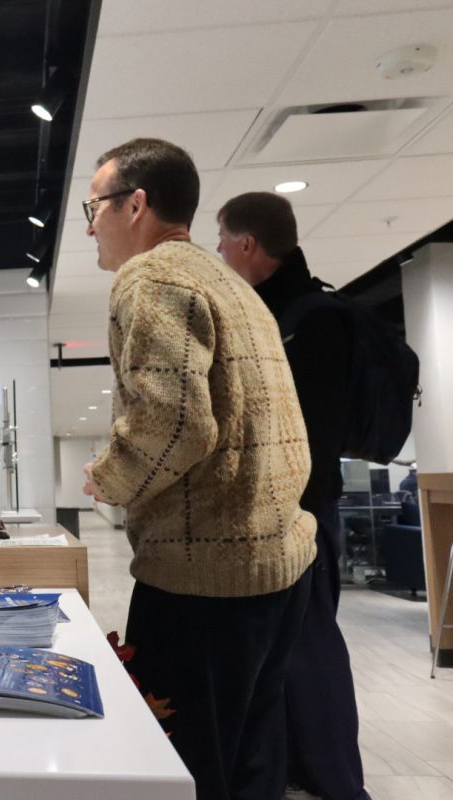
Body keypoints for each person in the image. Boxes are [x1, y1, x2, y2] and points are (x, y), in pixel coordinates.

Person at [80, 138, 317, 800]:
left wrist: (107, 477)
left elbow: (175, 425)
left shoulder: (151, 277)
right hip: (277, 565)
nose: (89, 224)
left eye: (93, 206)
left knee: (187, 771)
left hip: (205, 580)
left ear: (136, 204)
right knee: (251, 765)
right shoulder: (231, 286)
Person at [216, 191, 370, 800]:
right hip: (284, 510)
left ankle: (336, 783)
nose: (220, 253)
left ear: (249, 244)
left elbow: (298, 432)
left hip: (300, 511)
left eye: (224, 242)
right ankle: (288, 773)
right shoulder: (280, 313)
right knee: (279, 654)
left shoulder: (307, 321)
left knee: (308, 649)